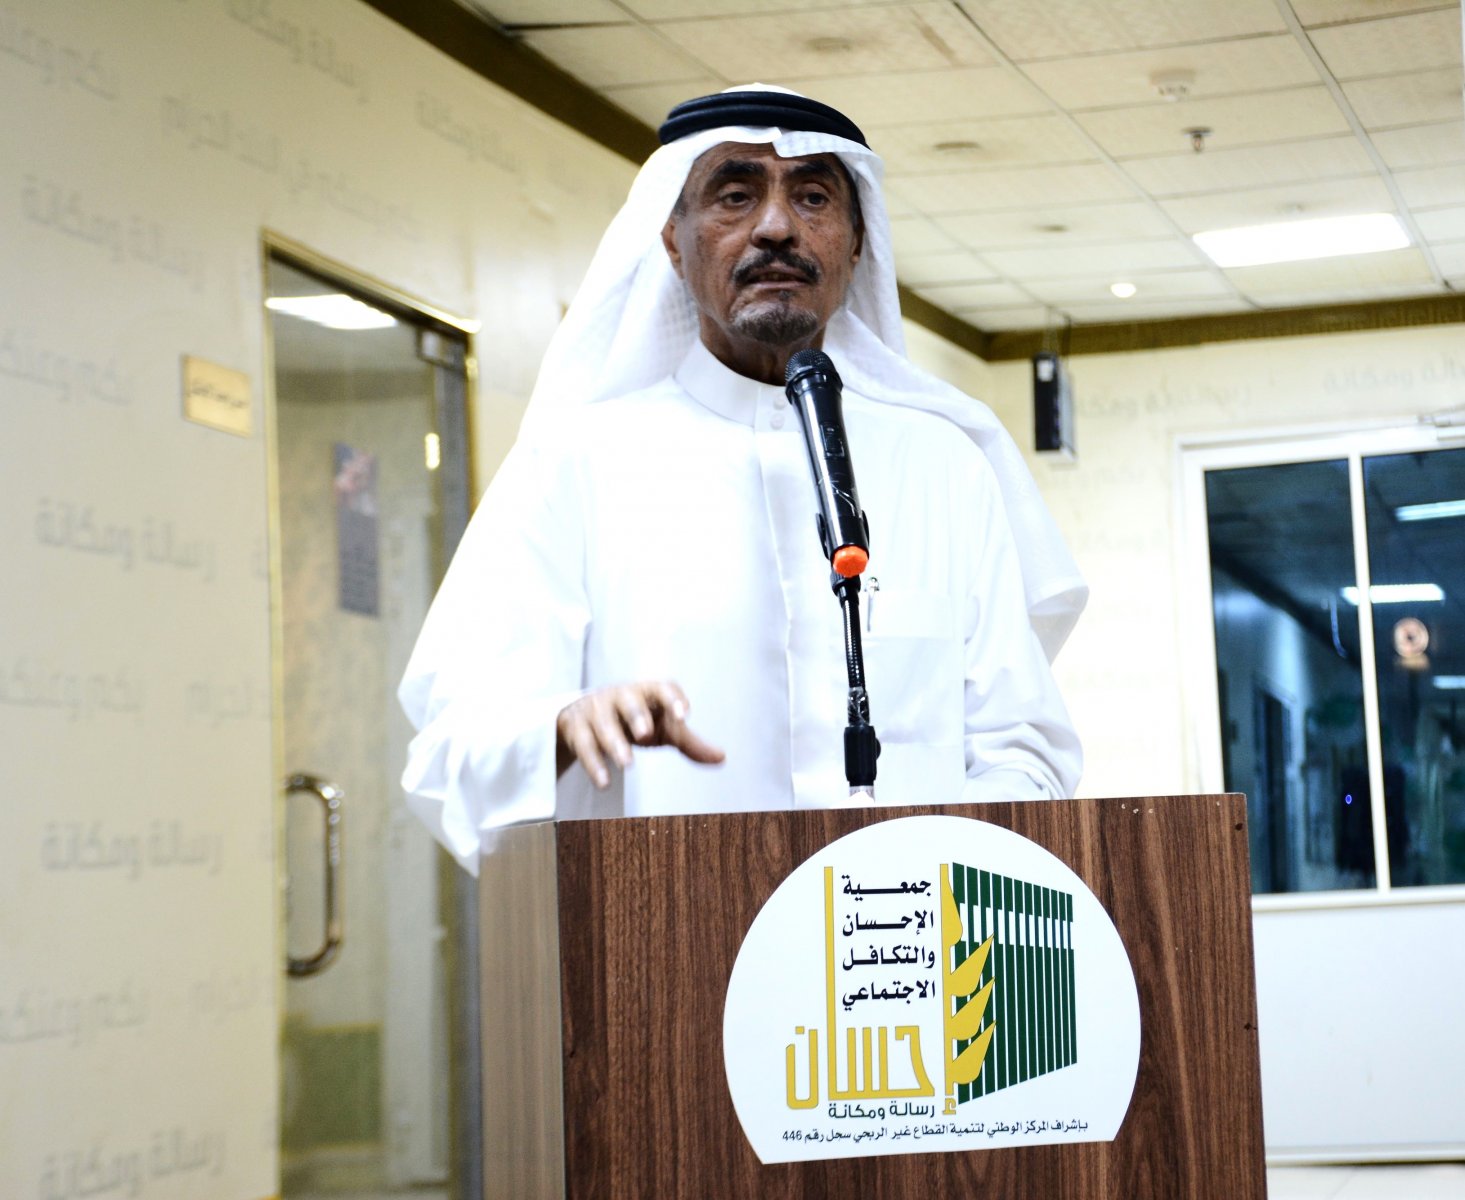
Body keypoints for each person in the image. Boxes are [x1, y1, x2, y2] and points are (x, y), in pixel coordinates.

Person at [398, 86, 1086, 873]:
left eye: (813, 197)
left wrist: (956, 867)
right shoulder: (574, 464)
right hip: (662, 925)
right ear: (672, 240)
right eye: (734, 195)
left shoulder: (944, 466)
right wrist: (558, 727)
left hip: (908, 937)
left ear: (856, 244)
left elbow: (1022, 745)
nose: (775, 227)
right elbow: (450, 754)